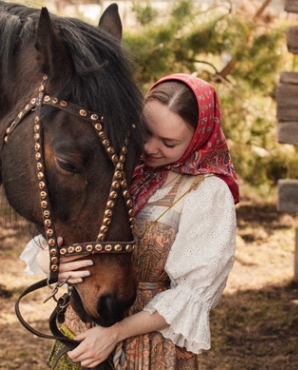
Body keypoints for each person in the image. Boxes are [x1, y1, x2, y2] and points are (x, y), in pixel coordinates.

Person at [20, 73, 239, 370]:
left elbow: (192, 295)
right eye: (145, 132)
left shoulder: (207, 193)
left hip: (148, 346)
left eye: (169, 143)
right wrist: (48, 258)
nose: (150, 148)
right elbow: (64, 228)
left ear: (198, 139)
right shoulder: (115, 164)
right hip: (80, 335)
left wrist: (113, 335)